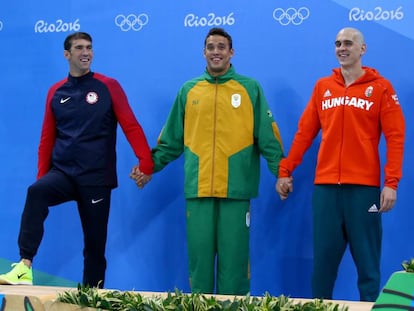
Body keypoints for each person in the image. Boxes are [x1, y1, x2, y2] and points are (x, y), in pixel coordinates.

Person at [131, 27, 285, 295]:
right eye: (211, 47)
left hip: (236, 191)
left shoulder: (250, 89)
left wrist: (282, 173)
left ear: (231, 52)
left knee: (235, 265)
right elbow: (170, 141)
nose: (216, 52)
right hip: (198, 189)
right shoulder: (189, 90)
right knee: (199, 263)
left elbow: (268, 139)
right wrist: (149, 168)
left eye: (221, 47)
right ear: (204, 52)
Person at [0, 32, 153, 288]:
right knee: (36, 192)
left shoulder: (108, 86)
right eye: (79, 48)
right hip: (63, 174)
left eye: (90, 48)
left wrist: (146, 165)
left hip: (96, 178)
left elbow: (131, 126)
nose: (86, 52)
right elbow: (46, 139)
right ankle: (24, 266)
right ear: (67, 54)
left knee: (94, 246)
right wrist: (44, 177)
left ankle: (92, 296)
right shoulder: (55, 92)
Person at [276, 27, 405, 301]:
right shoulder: (323, 87)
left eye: (348, 43)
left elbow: (396, 137)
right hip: (326, 191)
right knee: (322, 267)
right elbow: (304, 133)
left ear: (362, 49)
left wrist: (391, 183)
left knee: (368, 267)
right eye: (337, 43)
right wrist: (286, 170)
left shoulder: (381, 88)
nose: (341, 48)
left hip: (364, 190)